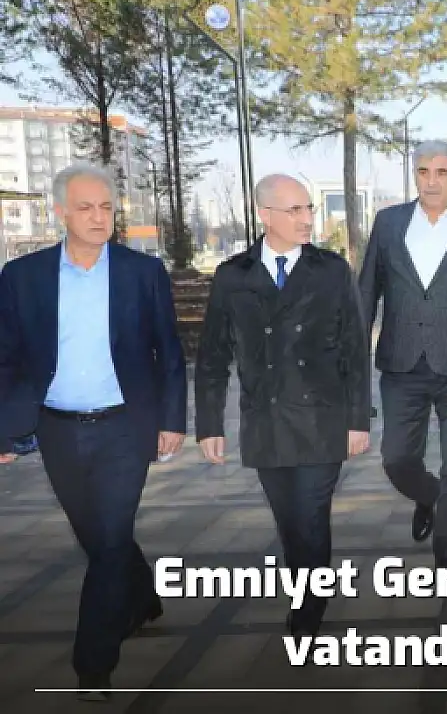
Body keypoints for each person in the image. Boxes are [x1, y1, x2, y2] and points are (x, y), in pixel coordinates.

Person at [0, 163, 187, 701]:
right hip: (56, 429)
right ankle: (143, 596)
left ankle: (93, 666)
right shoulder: (22, 276)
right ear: (60, 212)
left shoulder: (141, 272)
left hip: (125, 427)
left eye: (106, 207)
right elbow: (6, 356)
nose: (99, 217)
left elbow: (169, 351)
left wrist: (173, 419)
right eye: (85, 207)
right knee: (100, 536)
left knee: (106, 544)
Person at [195, 174, 372, 637]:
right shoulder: (234, 275)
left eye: (308, 208)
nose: (307, 218)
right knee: (289, 522)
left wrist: (358, 420)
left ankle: (308, 613)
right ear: (265, 215)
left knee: (311, 519)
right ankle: (306, 590)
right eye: (295, 210)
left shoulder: (331, 270)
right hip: (265, 421)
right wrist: (209, 424)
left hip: (321, 418)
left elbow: (355, 349)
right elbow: (213, 354)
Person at [358, 140, 447, 566]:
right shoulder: (388, 223)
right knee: (397, 458)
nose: (432, 181)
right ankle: (431, 495)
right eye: (423, 172)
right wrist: (352, 356)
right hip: (401, 364)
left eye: (441, 172)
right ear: (415, 175)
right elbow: (367, 291)